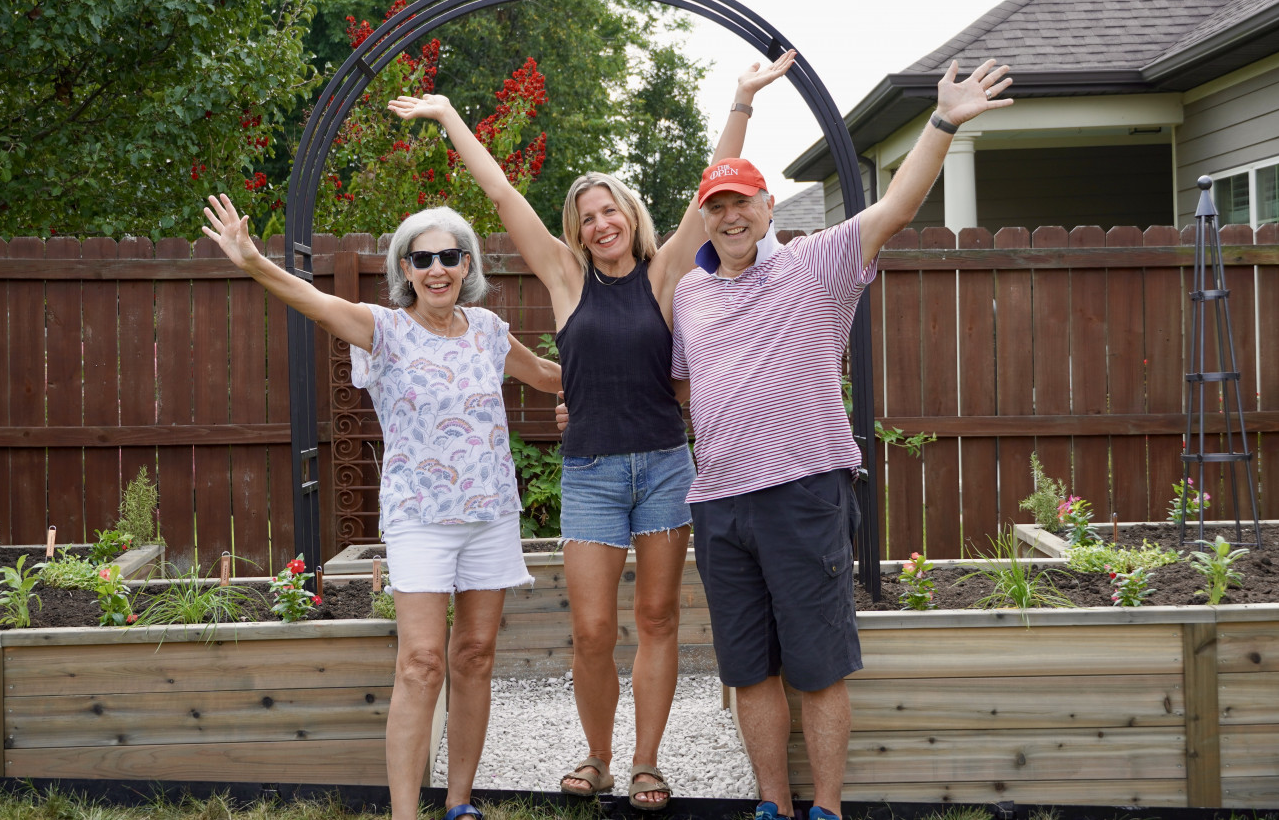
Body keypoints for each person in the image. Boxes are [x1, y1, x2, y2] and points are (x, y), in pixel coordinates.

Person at [388, 51, 795, 811]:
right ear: (576, 231)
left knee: (657, 617)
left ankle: (646, 762)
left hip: (667, 468)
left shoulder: (667, 270)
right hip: (593, 474)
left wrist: (741, 97)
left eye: (611, 209)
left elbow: (717, 173)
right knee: (593, 629)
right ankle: (598, 756)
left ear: (631, 216)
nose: (601, 223)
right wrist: (449, 118)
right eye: (587, 216)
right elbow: (503, 193)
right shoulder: (565, 278)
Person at [670, 58, 1014, 820]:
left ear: (766, 206)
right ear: (703, 215)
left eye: (742, 202)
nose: (730, 215)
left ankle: (824, 809)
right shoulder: (689, 295)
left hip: (803, 492)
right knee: (749, 669)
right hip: (720, 506)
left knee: (819, 668)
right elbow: (685, 384)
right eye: (716, 204)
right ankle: (774, 805)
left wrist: (944, 121)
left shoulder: (816, 263)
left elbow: (896, 203)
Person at [201, 196, 561, 820]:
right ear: (405, 269)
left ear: (467, 263)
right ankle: (404, 813)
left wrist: (634, 369)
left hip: (490, 514)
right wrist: (254, 261)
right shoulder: (382, 329)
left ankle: (460, 802)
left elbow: (552, 377)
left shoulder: (489, 331)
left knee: (474, 654)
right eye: (422, 259)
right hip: (420, 517)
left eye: (449, 256)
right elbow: (313, 302)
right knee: (421, 662)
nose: (437, 269)